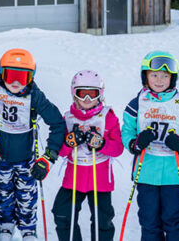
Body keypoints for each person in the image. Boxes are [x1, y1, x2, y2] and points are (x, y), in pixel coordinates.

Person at [0, 48, 67, 241]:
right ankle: (5, 227)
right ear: (2, 73)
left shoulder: (34, 96)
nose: (16, 83)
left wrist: (48, 157)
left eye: (23, 77)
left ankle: (28, 230)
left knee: (27, 197)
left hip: (26, 158)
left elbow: (58, 124)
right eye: (11, 76)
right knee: (3, 196)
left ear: (31, 77)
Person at [121, 51, 179, 241]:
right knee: (149, 220)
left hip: (174, 173)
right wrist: (135, 143)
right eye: (154, 75)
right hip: (146, 171)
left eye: (165, 76)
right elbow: (127, 130)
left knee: (173, 220)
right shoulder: (137, 103)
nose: (159, 80)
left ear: (172, 78)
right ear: (145, 76)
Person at [52, 70, 123, 241]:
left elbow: (118, 148)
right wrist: (69, 142)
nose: (87, 100)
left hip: (100, 179)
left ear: (100, 95)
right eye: (82, 94)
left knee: (102, 220)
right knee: (62, 213)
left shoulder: (108, 117)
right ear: (74, 94)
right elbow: (60, 151)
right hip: (73, 178)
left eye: (92, 94)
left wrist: (101, 144)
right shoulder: (67, 118)